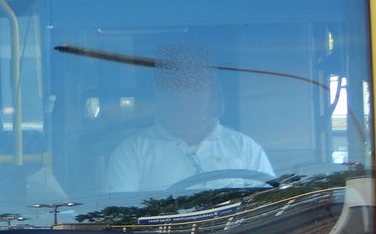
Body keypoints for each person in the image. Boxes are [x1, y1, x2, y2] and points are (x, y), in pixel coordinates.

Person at [104, 45, 274, 193]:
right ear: (158, 93)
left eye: (194, 86)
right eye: (175, 86)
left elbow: (268, 208)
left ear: (211, 92)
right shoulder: (131, 152)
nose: (184, 97)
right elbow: (118, 216)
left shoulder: (245, 148)